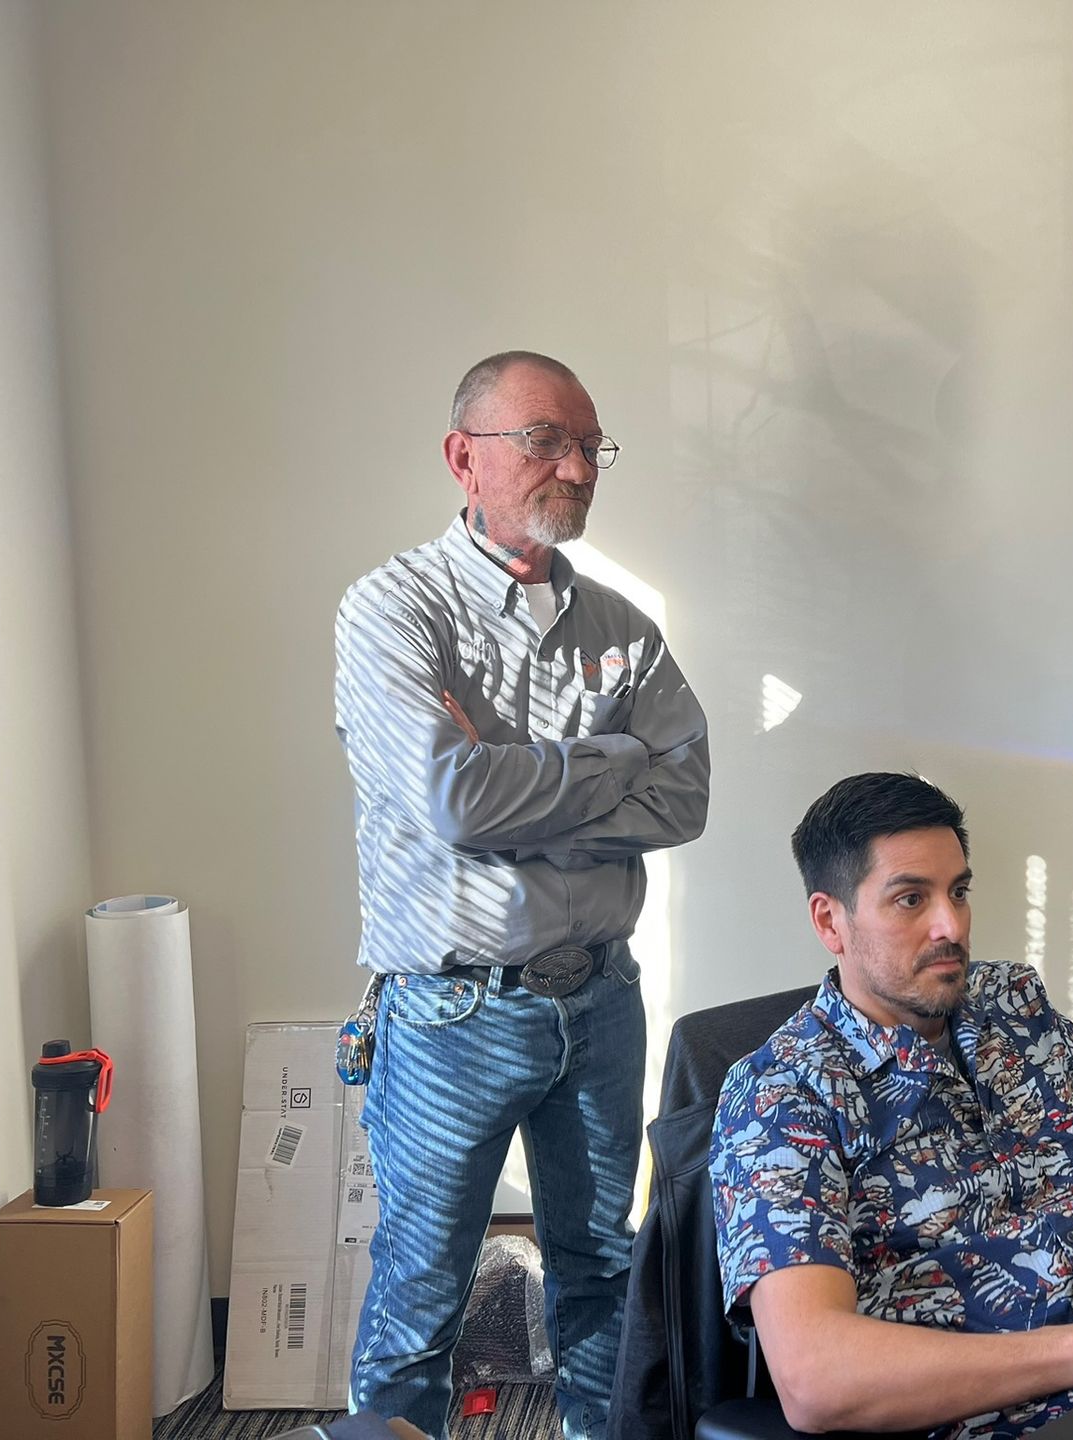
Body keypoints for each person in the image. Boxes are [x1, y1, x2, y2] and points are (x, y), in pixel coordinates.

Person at [334, 350, 710, 1440]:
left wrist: (512, 767)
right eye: (547, 439)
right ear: (465, 457)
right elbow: (454, 800)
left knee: (600, 1271)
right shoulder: (392, 612)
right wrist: (605, 764)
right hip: (453, 1011)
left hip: (599, 1001)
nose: (579, 465)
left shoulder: (625, 632)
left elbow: (683, 799)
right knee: (421, 1292)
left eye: (592, 445)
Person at [709, 773, 1073, 1439]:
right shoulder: (783, 1096)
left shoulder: (1013, 1005)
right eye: (911, 899)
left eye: (958, 892)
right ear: (830, 921)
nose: (951, 925)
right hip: (1013, 1420)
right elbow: (815, 1380)